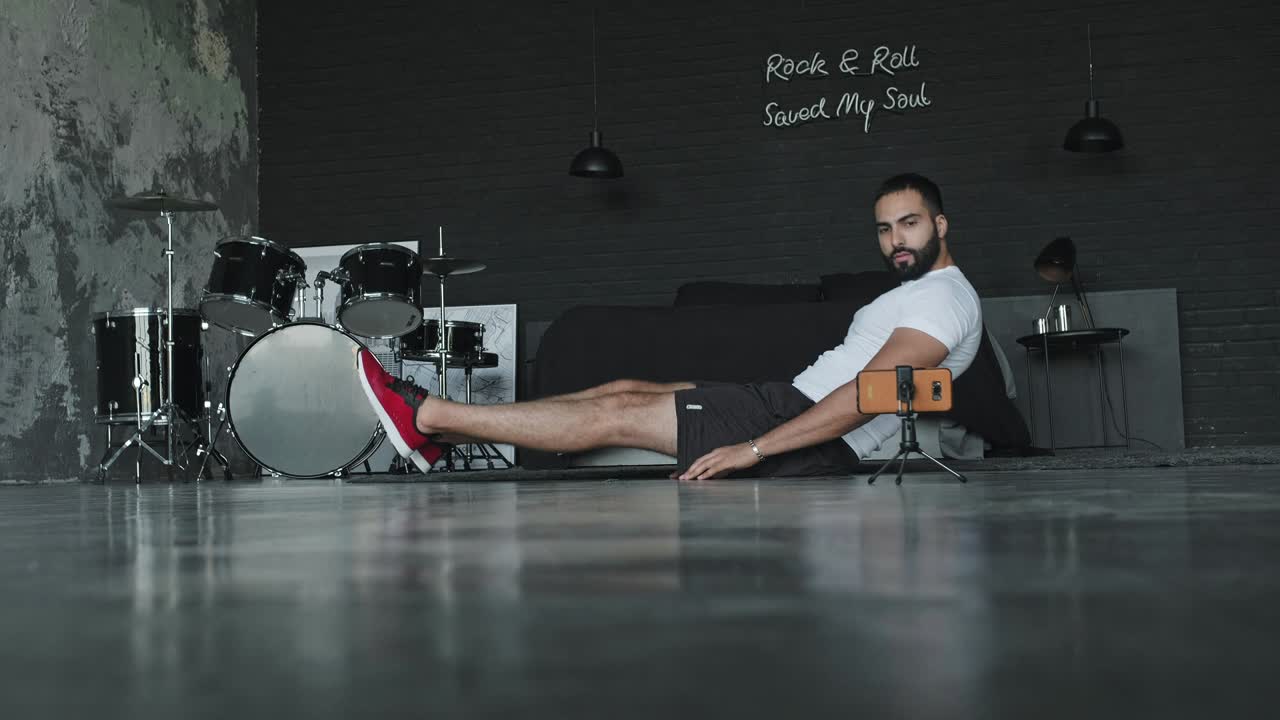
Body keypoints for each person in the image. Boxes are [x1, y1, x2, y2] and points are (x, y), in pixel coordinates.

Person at [358, 173, 983, 478]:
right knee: (619, 390)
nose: (895, 240)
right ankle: (441, 439)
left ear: (941, 224)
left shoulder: (941, 301)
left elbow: (869, 393)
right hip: (791, 402)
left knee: (619, 412)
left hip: (807, 432)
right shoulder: (923, 290)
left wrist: (753, 448)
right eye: (885, 227)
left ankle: (428, 416)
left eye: (909, 224)